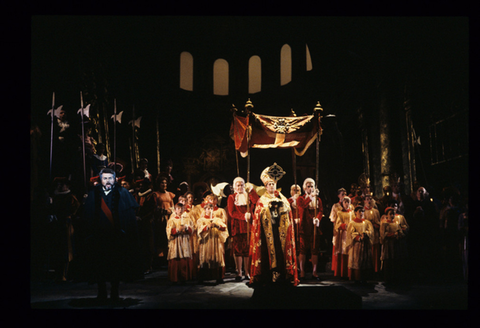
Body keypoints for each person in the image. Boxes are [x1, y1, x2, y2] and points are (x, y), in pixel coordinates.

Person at [82, 168, 143, 301]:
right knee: (100, 266)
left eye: (110, 178)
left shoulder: (123, 193)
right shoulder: (93, 194)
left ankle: (115, 293)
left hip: (117, 237)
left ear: (115, 179)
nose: (108, 181)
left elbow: (129, 217)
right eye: (105, 178)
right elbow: (88, 217)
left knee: (116, 265)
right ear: (101, 179)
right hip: (99, 238)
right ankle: (101, 293)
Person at [249, 163, 299, 287]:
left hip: (280, 233)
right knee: (268, 255)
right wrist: (268, 210)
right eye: (269, 184)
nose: (271, 186)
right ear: (265, 186)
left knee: (280, 254)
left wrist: (281, 208)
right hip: (267, 235)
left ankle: (282, 274)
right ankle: (268, 274)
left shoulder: (282, 198)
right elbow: (258, 214)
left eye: (273, 184)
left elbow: (288, 211)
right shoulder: (262, 200)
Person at [227, 177, 259, 281]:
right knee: (238, 250)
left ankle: (247, 272)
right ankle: (239, 272)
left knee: (247, 250)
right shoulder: (231, 197)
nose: (240, 187)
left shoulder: (248, 196)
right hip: (237, 226)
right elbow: (232, 213)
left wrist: (252, 190)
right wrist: (244, 216)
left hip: (248, 227)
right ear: (234, 186)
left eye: (242, 185)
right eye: (238, 185)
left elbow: (257, 202)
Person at [50, 177, 80, 282]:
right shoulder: (55, 197)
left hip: (65, 225)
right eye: (58, 184)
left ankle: (64, 274)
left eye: (61, 184)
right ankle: (57, 274)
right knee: (56, 249)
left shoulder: (70, 197)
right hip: (56, 225)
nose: (59, 186)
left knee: (66, 250)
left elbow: (73, 209)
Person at [297, 178, 323, 280]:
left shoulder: (318, 199)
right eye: (308, 186)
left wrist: (318, 219)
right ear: (304, 188)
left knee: (315, 250)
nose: (310, 188)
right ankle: (302, 271)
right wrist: (310, 197)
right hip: (304, 227)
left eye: (312, 186)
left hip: (314, 228)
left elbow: (320, 210)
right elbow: (303, 206)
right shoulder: (301, 198)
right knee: (302, 250)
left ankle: (314, 272)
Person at [196, 201, 229, 284]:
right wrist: (207, 227)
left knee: (217, 257)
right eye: (208, 209)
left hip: (215, 241)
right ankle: (203, 277)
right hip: (206, 242)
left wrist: (217, 226)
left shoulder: (217, 219)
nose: (209, 210)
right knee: (205, 258)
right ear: (205, 210)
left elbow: (224, 228)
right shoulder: (201, 220)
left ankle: (218, 277)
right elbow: (199, 230)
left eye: (211, 208)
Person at [166, 202, 195, 284]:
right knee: (176, 258)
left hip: (185, 241)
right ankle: (175, 278)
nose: (180, 210)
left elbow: (192, 230)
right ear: (175, 210)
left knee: (184, 258)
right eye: (178, 209)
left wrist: (186, 228)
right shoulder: (172, 220)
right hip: (176, 241)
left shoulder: (188, 219)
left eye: (181, 209)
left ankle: (185, 278)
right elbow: (169, 231)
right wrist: (177, 230)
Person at [134, 177, 157, 274]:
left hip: (147, 222)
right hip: (137, 222)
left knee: (148, 244)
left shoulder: (151, 195)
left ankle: (148, 265)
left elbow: (152, 209)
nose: (140, 186)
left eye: (142, 185)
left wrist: (143, 218)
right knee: (140, 244)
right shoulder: (136, 195)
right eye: (139, 185)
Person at [346, 205, 373, 283]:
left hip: (365, 245)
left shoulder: (367, 222)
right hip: (356, 246)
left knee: (365, 262)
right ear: (355, 213)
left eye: (363, 211)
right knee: (357, 262)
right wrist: (358, 237)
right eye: (360, 211)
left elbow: (371, 231)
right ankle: (356, 278)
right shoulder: (352, 223)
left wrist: (366, 234)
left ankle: (364, 278)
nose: (361, 213)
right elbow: (350, 233)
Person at [153, 175, 175, 264]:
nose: (164, 184)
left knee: (168, 237)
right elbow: (155, 207)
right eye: (162, 182)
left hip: (169, 218)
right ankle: (160, 258)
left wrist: (170, 211)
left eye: (165, 183)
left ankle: (167, 256)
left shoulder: (170, 194)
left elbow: (172, 206)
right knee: (161, 236)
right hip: (160, 218)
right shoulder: (156, 194)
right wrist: (162, 211)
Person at [380, 207, 404, 284]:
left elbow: (401, 233)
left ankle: (395, 277)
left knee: (395, 261)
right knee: (388, 261)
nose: (392, 215)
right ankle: (387, 278)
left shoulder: (396, 223)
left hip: (395, 245)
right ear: (387, 215)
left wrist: (399, 235)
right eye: (390, 214)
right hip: (388, 245)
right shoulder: (384, 224)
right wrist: (393, 234)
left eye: (393, 214)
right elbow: (383, 234)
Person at [333, 196, 353, 279]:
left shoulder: (352, 212)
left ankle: (349, 273)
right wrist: (344, 225)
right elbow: (337, 224)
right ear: (342, 203)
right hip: (343, 234)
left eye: (348, 202)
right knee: (343, 251)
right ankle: (342, 273)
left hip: (350, 234)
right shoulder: (339, 213)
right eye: (345, 202)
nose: (346, 204)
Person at [363, 194, 382, 275]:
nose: (369, 201)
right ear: (364, 201)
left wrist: (374, 224)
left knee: (375, 251)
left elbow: (379, 223)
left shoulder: (376, 211)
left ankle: (376, 270)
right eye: (367, 199)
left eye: (370, 199)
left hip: (375, 234)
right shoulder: (362, 211)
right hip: (366, 235)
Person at [288, 184, 302, 253]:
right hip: (292, 223)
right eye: (294, 190)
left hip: (301, 223)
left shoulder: (302, 199)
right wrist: (293, 199)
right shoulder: (289, 200)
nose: (296, 192)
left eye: (298, 190)